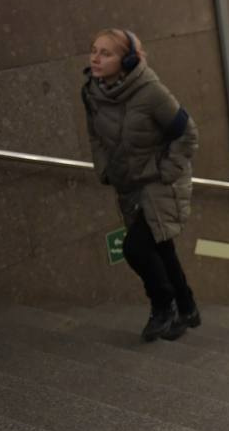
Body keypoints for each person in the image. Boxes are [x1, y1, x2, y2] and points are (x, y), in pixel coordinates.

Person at [82, 29, 200, 342]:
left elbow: (187, 133)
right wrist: (104, 169)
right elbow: (94, 135)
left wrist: (166, 171)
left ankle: (164, 306)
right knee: (162, 247)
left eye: (106, 53)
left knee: (134, 248)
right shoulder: (92, 92)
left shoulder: (150, 92)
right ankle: (187, 308)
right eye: (94, 50)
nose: (95, 58)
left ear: (128, 59)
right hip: (128, 184)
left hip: (160, 184)